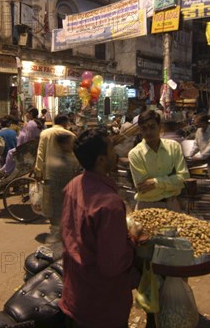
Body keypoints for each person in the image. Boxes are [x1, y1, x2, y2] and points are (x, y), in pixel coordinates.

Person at [60, 129, 142, 328]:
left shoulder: (73, 185)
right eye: (112, 149)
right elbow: (112, 264)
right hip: (102, 306)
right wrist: (133, 241)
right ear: (101, 160)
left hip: (76, 293)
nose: (116, 153)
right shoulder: (110, 204)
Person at [128, 110, 189, 211]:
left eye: (152, 127)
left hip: (172, 205)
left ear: (160, 127)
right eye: (144, 129)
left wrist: (155, 182)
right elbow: (143, 189)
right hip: (146, 208)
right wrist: (172, 180)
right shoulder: (135, 154)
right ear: (140, 131)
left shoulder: (174, 147)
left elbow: (184, 179)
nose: (148, 132)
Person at [34, 115, 79, 243]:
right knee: (67, 202)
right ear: (65, 123)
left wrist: (38, 170)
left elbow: (40, 152)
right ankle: (64, 230)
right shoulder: (70, 134)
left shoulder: (45, 133)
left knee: (52, 203)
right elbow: (75, 155)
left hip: (49, 173)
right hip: (68, 175)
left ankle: (55, 229)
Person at [188, 114, 210, 179]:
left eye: (197, 122)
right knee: (187, 168)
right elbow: (196, 145)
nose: (195, 124)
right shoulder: (198, 131)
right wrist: (190, 155)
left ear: (203, 122)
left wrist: (197, 157)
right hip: (201, 156)